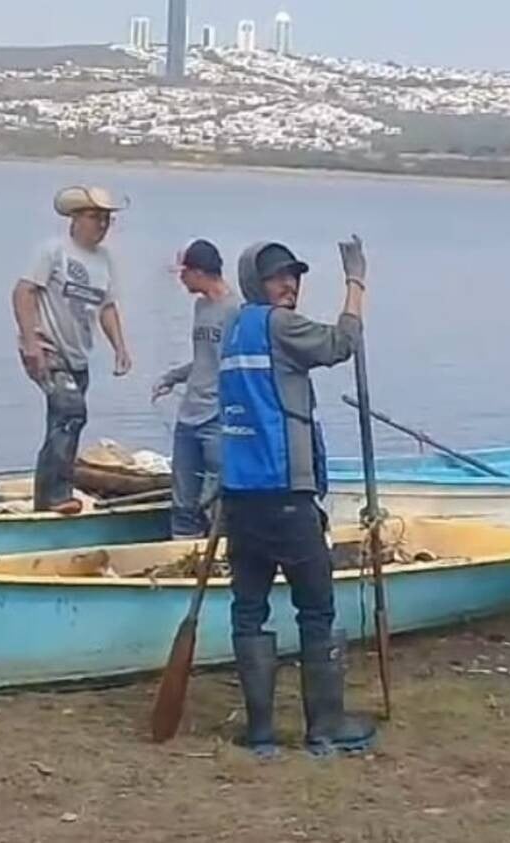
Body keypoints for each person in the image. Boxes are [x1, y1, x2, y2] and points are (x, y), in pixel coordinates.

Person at [219, 236, 376, 757]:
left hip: (240, 496)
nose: (289, 284)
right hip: (286, 493)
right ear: (255, 283)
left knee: (249, 610)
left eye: (294, 275)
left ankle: (261, 733)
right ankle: (325, 727)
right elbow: (341, 343)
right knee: (316, 608)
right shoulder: (279, 326)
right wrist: (355, 281)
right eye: (276, 277)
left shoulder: (232, 329)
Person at [13, 186, 133, 515]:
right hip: (47, 348)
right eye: (95, 217)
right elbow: (23, 292)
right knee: (70, 411)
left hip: (77, 354)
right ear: (76, 218)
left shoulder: (104, 260)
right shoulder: (54, 251)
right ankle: (56, 495)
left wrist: (120, 347)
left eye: (106, 219)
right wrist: (30, 341)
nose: (102, 224)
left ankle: (48, 493)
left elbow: (107, 307)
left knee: (64, 421)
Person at [152, 239, 241, 538]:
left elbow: (233, 363)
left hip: (216, 417)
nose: (181, 279)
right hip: (189, 413)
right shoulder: (201, 306)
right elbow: (204, 359)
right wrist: (172, 377)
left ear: (199, 273)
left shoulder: (236, 310)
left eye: (184, 272)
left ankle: (222, 550)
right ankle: (183, 547)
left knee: (220, 495)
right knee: (183, 498)